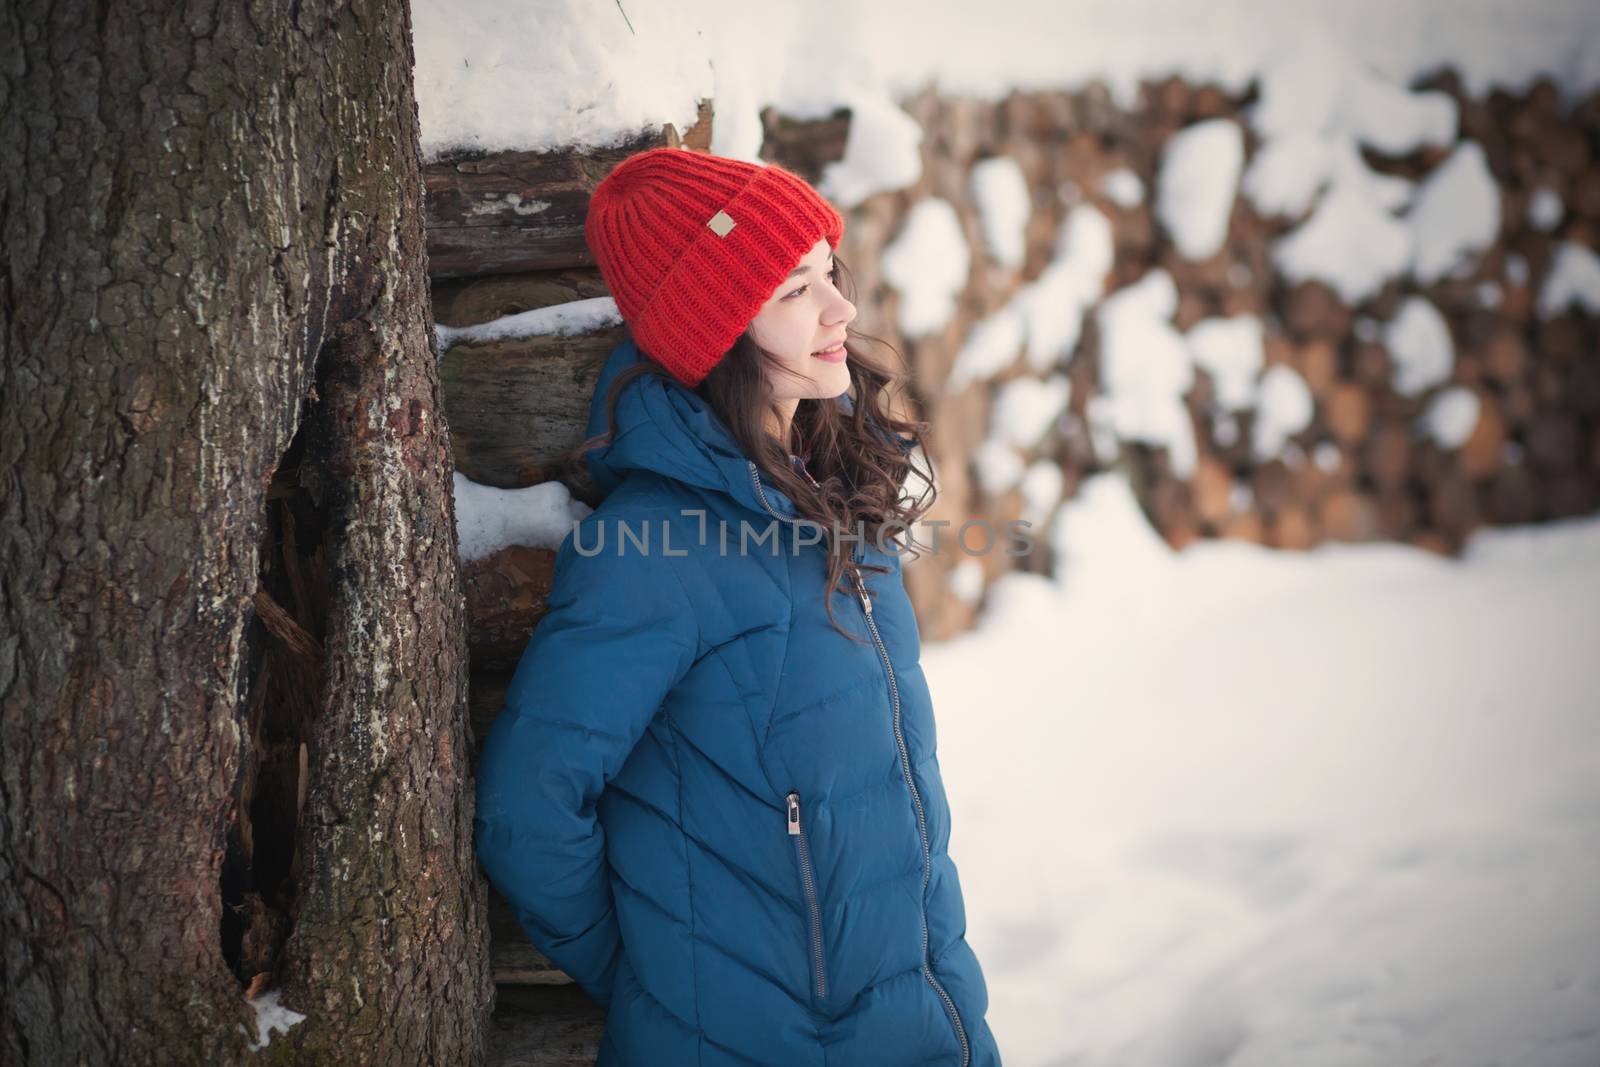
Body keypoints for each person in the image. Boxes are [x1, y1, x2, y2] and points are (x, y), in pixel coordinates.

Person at [473, 146, 1003, 1066]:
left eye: (827, 273)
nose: (839, 308)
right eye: (794, 290)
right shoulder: (654, 548)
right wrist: (668, 975)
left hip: (925, 1029)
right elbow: (529, 804)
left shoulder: (843, 497)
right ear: (714, 326)